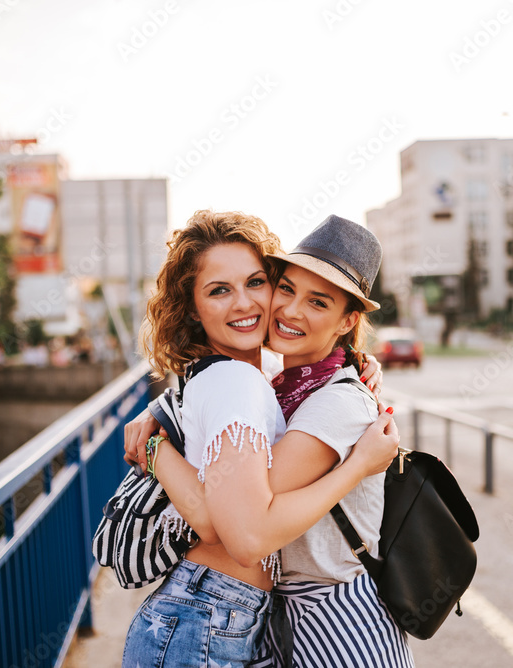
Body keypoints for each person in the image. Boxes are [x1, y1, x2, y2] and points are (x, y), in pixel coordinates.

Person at [128, 214, 414, 667]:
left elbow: (246, 526)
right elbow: (221, 393)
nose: (289, 310)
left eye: (318, 303)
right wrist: (157, 413)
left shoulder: (335, 401)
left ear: (347, 321)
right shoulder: (282, 383)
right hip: (274, 614)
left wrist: (155, 448)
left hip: (336, 616)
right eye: (286, 289)